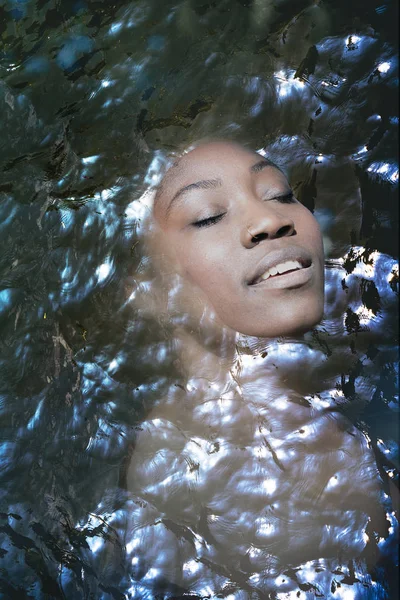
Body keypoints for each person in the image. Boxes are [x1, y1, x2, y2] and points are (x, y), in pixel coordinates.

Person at [120, 140, 394, 599]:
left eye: (280, 193)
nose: (272, 219)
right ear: (147, 291)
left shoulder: (323, 377)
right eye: (207, 216)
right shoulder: (204, 465)